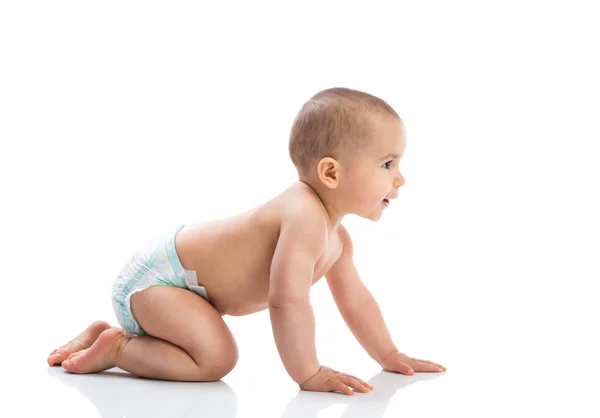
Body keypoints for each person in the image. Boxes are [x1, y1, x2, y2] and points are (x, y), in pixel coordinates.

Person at [47, 87, 446, 396]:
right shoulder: (304, 215)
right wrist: (307, 371)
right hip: (158, 282)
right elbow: (286, 301)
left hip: (181, 288)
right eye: (387, 163)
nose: (400, 178)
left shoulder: (337, 237)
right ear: (330, 172)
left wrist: (389, 355)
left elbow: (355, 300)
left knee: (213, 350)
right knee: (216, 359)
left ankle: (111, 333)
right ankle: (118, 347)